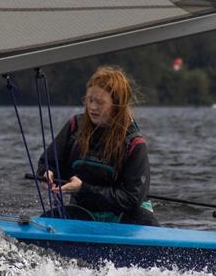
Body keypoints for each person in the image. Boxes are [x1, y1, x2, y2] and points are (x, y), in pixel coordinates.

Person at [37, 66, 157, 226]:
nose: (92, 107)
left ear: (116, 105)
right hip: (83, 212)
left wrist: (83, 189)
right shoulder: (74, 127)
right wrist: (47, 172)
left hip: (127, 217)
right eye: (89, 100)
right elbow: (48, 162)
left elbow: (131, 198)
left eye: (100, 102)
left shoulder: (135, 143)